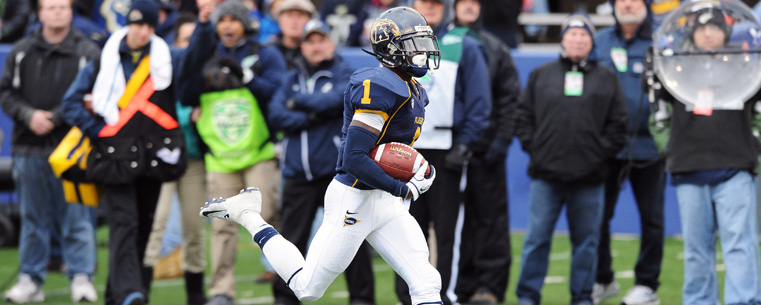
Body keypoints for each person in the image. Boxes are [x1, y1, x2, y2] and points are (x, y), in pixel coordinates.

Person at [200, 6, 443, 305]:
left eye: (424, 41)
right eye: (414, 44)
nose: (423, 51)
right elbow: (355, 157)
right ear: (391, 49)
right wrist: (403, 188)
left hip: (384, 199)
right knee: (307, 288)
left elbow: (391, 150)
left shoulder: (413, 88)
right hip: (353, 198)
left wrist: (418, 169)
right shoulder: (379, 85)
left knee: (427, 282)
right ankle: (247, 214)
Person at [61, 0, 188, 304]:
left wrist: (206, 26)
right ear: (128, 24)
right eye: (137, 24)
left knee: (144, 225)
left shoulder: (165, 59)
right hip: (114, 159)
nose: (142, 31)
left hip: (153, 158)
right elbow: (70, 102)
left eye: (148, 25)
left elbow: (192, 67)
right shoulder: (103, 58)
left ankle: (116, 295)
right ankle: (133, 292)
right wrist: (99, 132)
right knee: (124, 223)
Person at [648, 6, 761, 305]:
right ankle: (698, 301)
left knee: (740, 245)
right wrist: (670, 149)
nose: (708, 34)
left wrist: (753, 147)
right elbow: (658, 117)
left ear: (724, 33)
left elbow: (759, 116)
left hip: (735, 168)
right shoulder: (674, 69)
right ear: (692, 33)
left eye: (714, 28)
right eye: (701, 29)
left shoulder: (747, 67)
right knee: (697, 249)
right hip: (689, 169)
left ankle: (745, 301)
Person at [514, 13, 628, 305]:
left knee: (587, 244)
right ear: (562, 38)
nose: (578, 39)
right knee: (537, 240)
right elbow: (523, 118)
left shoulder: (607, 78)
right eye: (572, 33)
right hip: (545, 176)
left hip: (590, 179)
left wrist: (598, 157)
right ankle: (528, 296)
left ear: (592, 41)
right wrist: (536, 149)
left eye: (584, 34)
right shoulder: (542, 74)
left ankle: (582, 297)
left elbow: (618, 125)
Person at [178, 1, 286, 304]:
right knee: (222, 226)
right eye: (221, 20)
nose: (227, 25)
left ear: (245, 24)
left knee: (267, 218)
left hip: (259, 153)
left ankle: (284, 283)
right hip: (219, 158)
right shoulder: (206, 55)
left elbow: (280, 93)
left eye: (233, 20)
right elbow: (184, 92)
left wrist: (248, 78)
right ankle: (221, 292)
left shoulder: (265, 54)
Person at [267, 19, 377, 305]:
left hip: (336, 174)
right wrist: (311, 116)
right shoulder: (290, 76)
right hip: (297, 173)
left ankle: (362, 298)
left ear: (332, 43)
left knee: (351, 237)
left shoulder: (346, 73)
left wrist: (300, 103)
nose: (317, 47)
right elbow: (276, 114)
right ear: (302, 46)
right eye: (311, 41)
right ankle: (284, 298)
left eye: (321, 40)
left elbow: (337, 101)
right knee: (291, 240)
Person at [0, 0, 100, 302]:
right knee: (32, 217)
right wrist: (28, 115)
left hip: (73, 149)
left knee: (77, 217)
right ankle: (31, 278)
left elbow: (92, 97)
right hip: (28, 146)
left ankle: (81, 276)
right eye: (51, 7)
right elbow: (6, 92)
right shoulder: (20, 50)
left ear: (71, 12)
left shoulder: (88, 52)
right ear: (39, 13)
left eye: (63, 7)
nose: (57, 12)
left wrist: (55, 117)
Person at [394, 0, 491, 304]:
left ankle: (445, 295)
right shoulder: (397, 44)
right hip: (407, 152)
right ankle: (408, 295)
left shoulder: (464, 44)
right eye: (425, 2)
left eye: (437, 2)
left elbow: (479, 100)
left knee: (448, 231)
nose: (430, 8)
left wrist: (465, 144)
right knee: (406, 228)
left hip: (447, 152)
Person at [592, 1, 666, 304]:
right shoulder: (601, 41)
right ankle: (603, 278)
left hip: (650, 148)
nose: (628, 4)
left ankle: (647, 284)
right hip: (608, 147)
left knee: (652, 219)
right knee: (598, 218)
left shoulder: (661, 41)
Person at [452, 0, 519, 303]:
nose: (468, 6)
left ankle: (489, 288)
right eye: (462, 1)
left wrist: (501, 142)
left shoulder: (496, 48)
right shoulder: (440, 45)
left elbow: (509, 101)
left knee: (491, 220)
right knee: (454, 223)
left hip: (487, 151)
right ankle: (461, 285)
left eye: (474, 2)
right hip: (449, 153)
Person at [142, 13, 208, 305]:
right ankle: (139, 292)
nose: (189, 48)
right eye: (185, 40)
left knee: (195, 228)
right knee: (155, 224)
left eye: (195, 41)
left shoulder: (209, 74)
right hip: (163, 161)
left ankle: (196, 295)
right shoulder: (161, 71)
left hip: (194, 160)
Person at [269, 0, 316, 69]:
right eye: (289, 15)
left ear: (310, 21)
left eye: (300, 15)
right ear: (280, 20)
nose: (294, 21)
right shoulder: (267, 51)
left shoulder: (316, 52)